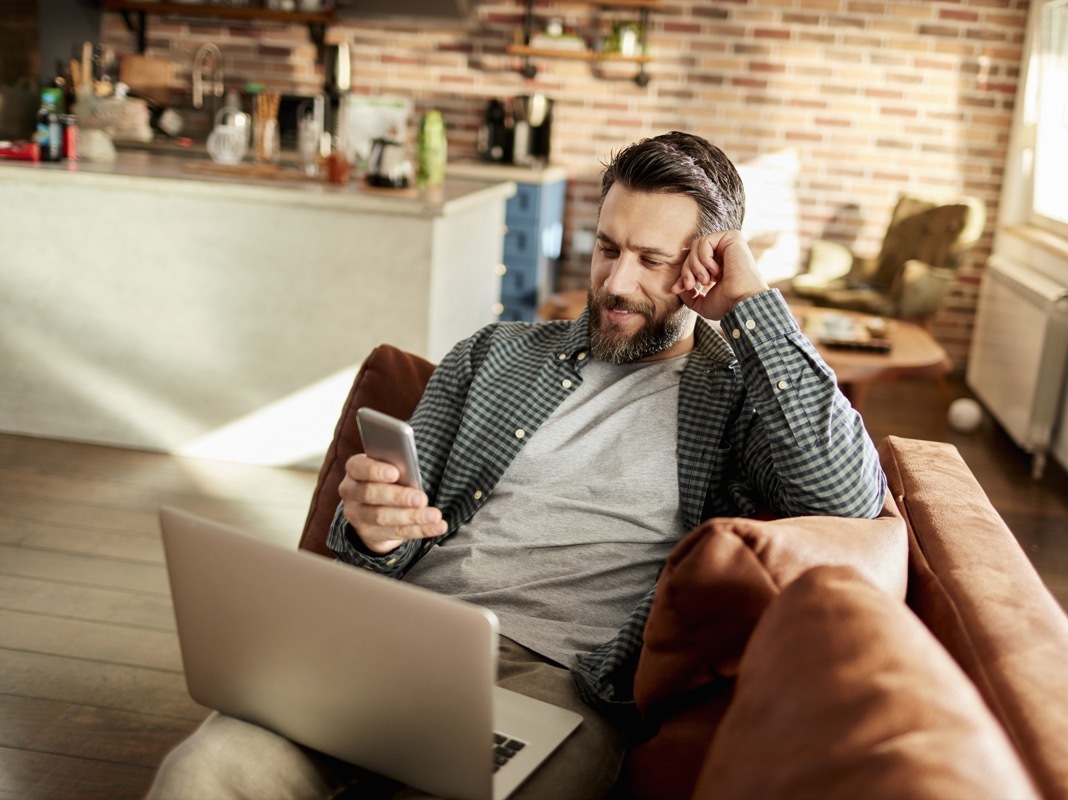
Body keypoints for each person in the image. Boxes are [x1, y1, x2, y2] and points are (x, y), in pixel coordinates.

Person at [148, 131, 886, 800]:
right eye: (607, 248)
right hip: (396, 644)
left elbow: (847, 494)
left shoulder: (735, 398)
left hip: (560, 687)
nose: (618, 283)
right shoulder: (493, 355)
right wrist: (371, 527)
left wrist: (751, 301)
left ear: (708, 262)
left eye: (653, 261)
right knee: (201, 773)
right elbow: (387, 535)